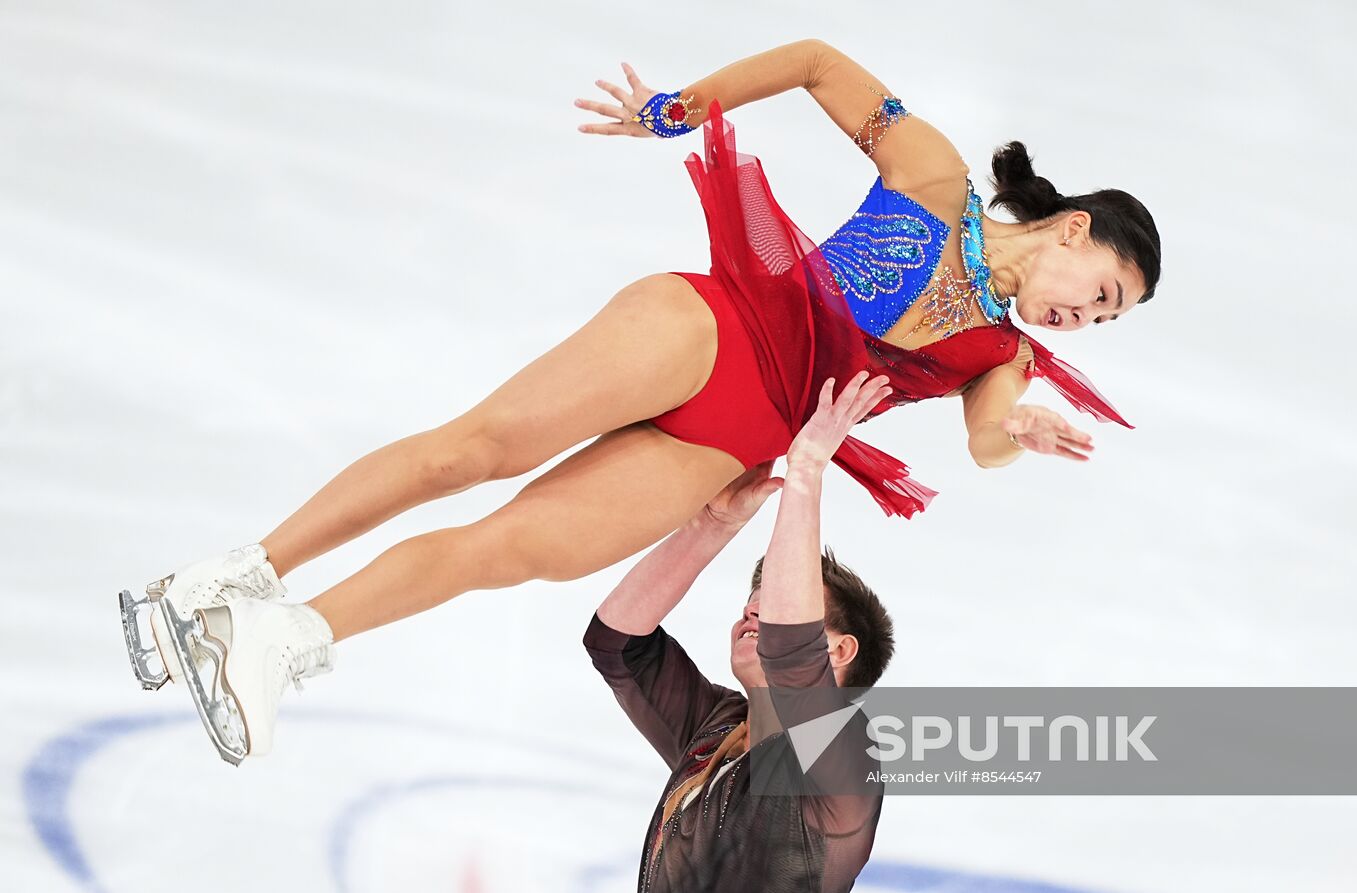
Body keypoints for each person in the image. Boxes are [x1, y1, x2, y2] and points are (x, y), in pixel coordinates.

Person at [116, 39, 1161, 764]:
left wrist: (1015, 427)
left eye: (1109, 322)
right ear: (1070, 231)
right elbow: (815, 64)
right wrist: (684, 105)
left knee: (513, 547)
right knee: (474, 450)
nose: (1090, 320)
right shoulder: (931, 178)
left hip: (731, 444)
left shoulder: (1000, 356)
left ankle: (281, 639)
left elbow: (985, 439)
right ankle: (235, 573)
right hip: (701, 332)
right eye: (1103, 294)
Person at [585, 372, 893, 893]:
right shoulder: (718, 725)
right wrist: (711, 525)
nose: (755, 614)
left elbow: (790, 656)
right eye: (752, 606)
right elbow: (618, 643)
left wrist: (806, 472)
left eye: (772, 606)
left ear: (840, 650)